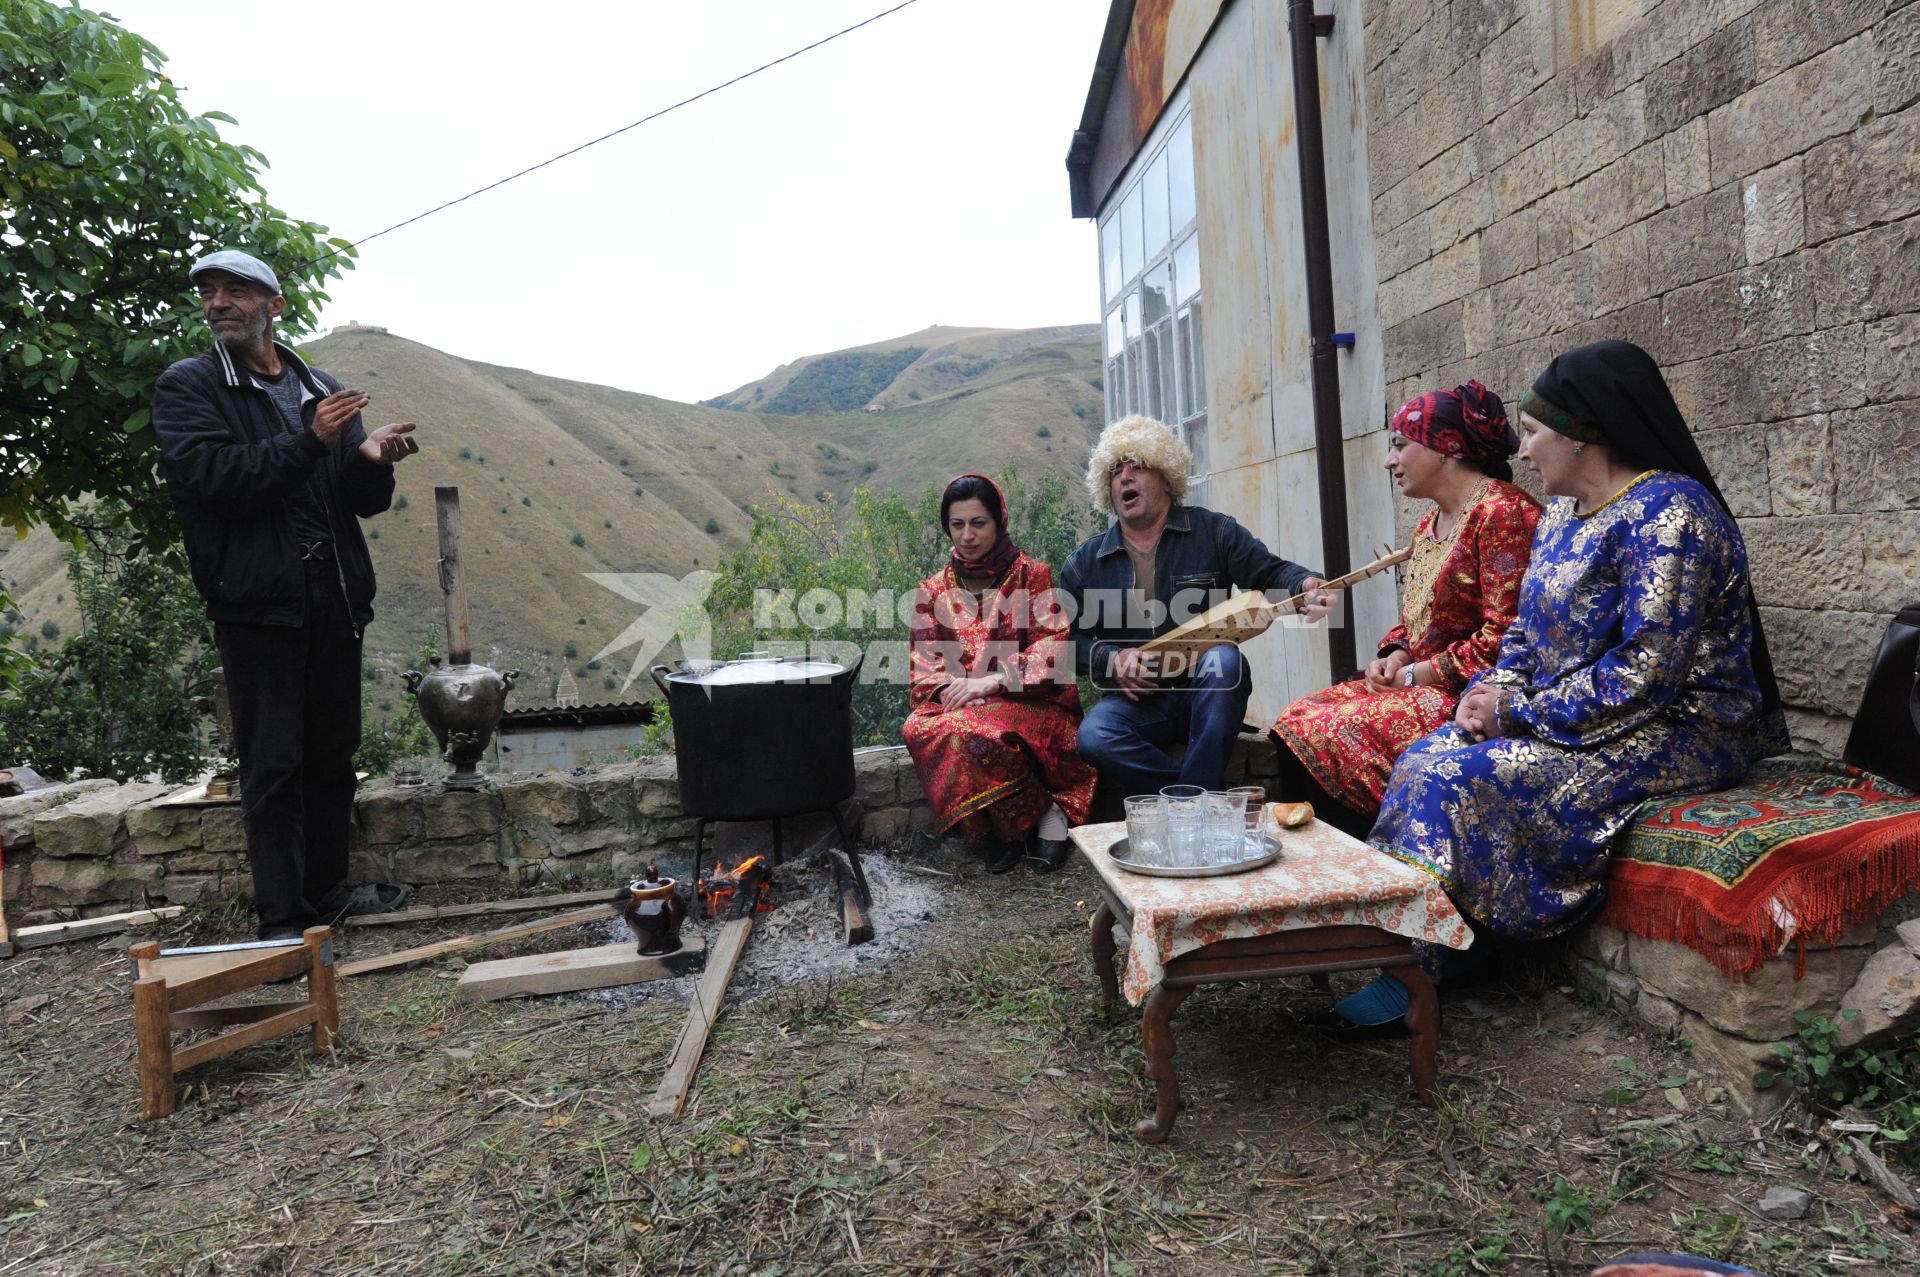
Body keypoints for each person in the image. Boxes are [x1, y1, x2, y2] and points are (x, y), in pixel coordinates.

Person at [1328, 340, 1787, 1030]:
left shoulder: (1672, 516)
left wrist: (1518, 710)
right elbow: (1522, 631)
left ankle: (1423, 972)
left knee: (1460, 777)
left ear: (1582, 434)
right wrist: (1491, 691)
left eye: (1535, 431)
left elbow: (1648, 672)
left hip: (1682, 729)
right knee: (1425, 755)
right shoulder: (1564, 518)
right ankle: (1439, 946)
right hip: (1566, 711)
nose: (1522, 449)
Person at [153, 249, 422, 940]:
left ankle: (325, 892)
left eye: (236, 291)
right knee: (273, 765)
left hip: (331, 597)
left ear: (273, 304)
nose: (218, 302)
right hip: (257, 606)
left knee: (333, 755)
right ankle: (283, 922)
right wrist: (311, 441)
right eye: (210, 292)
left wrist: (366, 460)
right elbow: (217, 481)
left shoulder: (316, 384)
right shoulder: (189, 387)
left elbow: (360, 503)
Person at [1269, 382, 1541, 838]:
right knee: (1294, 719)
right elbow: (1415, 617)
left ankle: (1376, 860)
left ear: (1445, 448)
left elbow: (1508, 634)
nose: (1389, 461)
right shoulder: (1428, 523)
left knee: (1328, 732)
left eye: (1399, 446)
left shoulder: (1501, 513)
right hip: (1418, 681)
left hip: (1469, 694)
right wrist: (1394, 656)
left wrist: (1418, 674)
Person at [1060, 415, 1330, 796]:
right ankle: (1196, 796)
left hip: (1207, 693)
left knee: (1225, 660)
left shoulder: (1214, 532)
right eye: (1115, 471)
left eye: (1137, 466)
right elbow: (1066, 641)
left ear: (1167, 478)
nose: (1124, 477)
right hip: (1135, 704)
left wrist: (1305, 584)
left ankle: (1189, 802)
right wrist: (1110, 660)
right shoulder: (1084, 562)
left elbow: (1269, 573)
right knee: (1094, 736)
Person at [903, 475, 1098, 874]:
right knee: (917, 729)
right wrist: (956, 693)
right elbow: (924, 667)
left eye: (979, 523)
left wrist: (992, 682)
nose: (968, 535)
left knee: (978, 729)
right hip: (961, 707)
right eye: (957, 525)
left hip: (1030, 703)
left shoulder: (1032, 576)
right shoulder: (933, 591)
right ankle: (1005, 828)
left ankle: (1046, 819)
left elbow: (1053, 651)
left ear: (1000, 521)